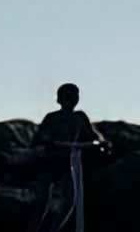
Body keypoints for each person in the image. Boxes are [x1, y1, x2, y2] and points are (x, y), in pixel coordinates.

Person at [30, 85, 99, 232]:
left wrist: (97, 143)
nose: (72, 99)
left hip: (68, 164)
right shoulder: (52, 118)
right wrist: (52, 144)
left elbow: (95, 137)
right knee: (42, 204)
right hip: (50, 163)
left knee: (69, 203)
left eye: (75, 95)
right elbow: (39, 140)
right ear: (60, 99)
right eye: (68, 96)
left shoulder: (79, 117)